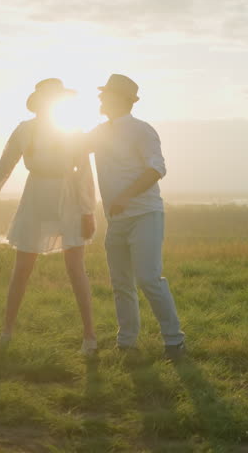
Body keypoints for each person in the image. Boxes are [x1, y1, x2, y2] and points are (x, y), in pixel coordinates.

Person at [0, 78, 98, 356]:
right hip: (35, 196)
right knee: (22, 267)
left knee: (75, 267)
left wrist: (88, 210)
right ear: (40, 102)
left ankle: (89, 337)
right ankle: (6, 332)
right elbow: (5, 165)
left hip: (68, 197)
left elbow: (85, 172)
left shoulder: (73, 130)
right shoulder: (25, 130)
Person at [88, 73, 186, 361]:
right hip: (116, 219)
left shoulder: (142, 130)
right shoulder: (99, 131)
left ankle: (174, 341)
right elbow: (74, 149)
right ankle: (127, 342)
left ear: (121, 100)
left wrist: (125, 196)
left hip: (145, 214)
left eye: (105, 94)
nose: (100, 99)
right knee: (121, 283)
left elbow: (157, 168)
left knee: (148, 278)